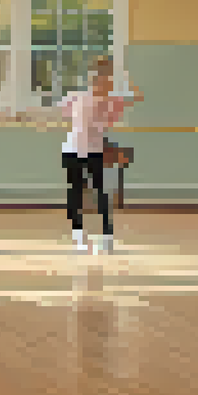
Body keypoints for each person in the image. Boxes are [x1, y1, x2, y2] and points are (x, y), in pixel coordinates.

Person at [56, 56, 142, 255]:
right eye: (99, 78)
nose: (102, 82)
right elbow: (62, 111)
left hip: (95, 150)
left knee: (101, 192)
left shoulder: (112, 101)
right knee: (76, 193)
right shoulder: (77, 97)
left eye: (107, 79)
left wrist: (123, 78)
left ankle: (107, 234)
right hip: (72, 150)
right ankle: (78, 234)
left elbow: (137, 96)